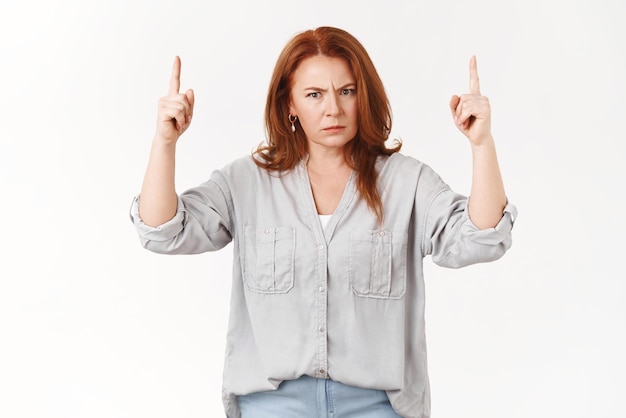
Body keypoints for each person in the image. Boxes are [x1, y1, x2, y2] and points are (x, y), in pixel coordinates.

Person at [130, 26, 516, 418]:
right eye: (314, 95)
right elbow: (162, 231)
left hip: (377, 406)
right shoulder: (247, 182)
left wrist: (481, 144)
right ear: (289, 105)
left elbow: (482, 239)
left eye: (346, 91)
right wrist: (165, 142)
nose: (333, 108)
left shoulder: (407, 182)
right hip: (272, 405)